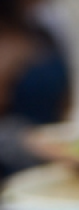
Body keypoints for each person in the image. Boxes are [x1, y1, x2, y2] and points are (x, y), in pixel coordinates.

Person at [0, 0, 70, 176]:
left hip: (53, 138)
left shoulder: (43, 33)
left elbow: (64, 97)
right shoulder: (6, 36)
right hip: (14, 142)